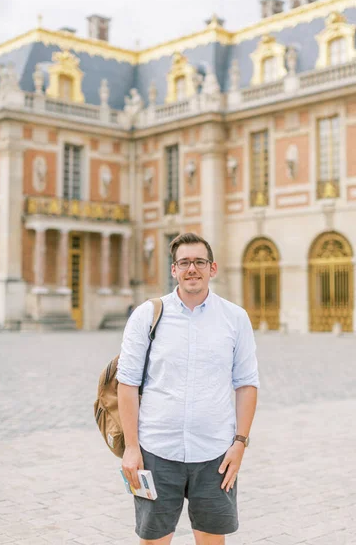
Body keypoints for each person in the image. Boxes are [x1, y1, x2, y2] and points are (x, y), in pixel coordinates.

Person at [117, 232, 260, 545]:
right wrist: (131, 447)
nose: (192, 269)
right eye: (184, 263)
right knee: (153, 540)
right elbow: (127, 383)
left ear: (213, 268)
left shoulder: (235, 318)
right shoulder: (147, 315)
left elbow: (247, 383)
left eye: (199, 262)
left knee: (211, 540)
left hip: (215, 454)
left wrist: (239, 443)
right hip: (155, 452)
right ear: (173, 270)